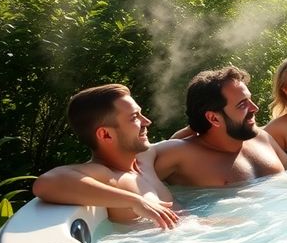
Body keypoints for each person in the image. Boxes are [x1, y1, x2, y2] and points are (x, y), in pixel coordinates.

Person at [32, 84, 179, 229]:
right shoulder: (108, 175)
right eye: (135, 117)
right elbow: (45, 183)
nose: (146, 122)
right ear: (105, 134)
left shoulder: (143, 160)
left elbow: (189, 139)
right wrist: (134, 201)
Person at [141, 66, 287, 187]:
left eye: (250, 100)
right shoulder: (182, 154)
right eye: (242, 105)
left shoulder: (260, 137)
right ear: (213, 118)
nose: (255, 108)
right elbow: (131, 178)